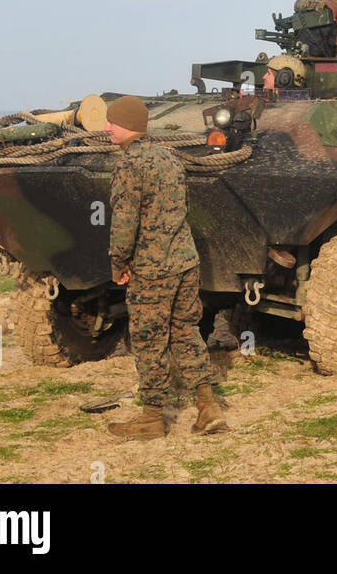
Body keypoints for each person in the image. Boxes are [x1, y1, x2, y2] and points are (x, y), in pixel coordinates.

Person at [105, 95, 226, 439]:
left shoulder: (130, 164)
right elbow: (181, 209)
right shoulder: (168, 157)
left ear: (126, 124)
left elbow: (125, 222)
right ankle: (208, 406)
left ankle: (151, 419)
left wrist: (119, 263)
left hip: (151, 269)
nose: (106, 127)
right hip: (184, 262)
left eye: (111, 121)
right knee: (186, 332)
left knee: (148, 340)